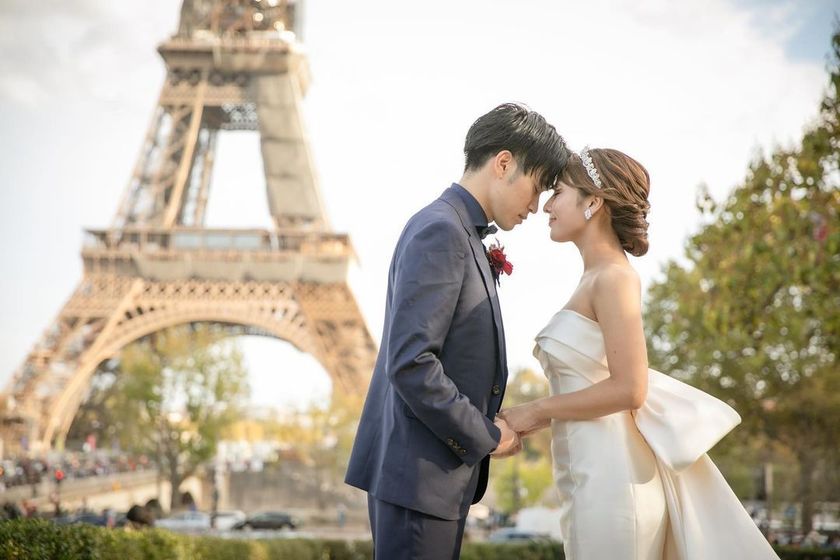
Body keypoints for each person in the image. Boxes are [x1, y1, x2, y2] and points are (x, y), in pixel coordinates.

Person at [497, 147, 780, 559]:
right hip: (589, 472)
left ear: (593, 201)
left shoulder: (614, 278)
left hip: (615, 480)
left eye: (557, 192)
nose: (547, 206)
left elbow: (631, 388)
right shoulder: (594, 278)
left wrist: (534, 412)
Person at [344, 102, 570, 559]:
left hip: (427, 481)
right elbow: (412, 364)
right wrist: (486, 434)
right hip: (417, 480)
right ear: (504, 163)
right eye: (537, 185)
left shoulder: (455, 229)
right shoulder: (442, 231)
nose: (538, 204)